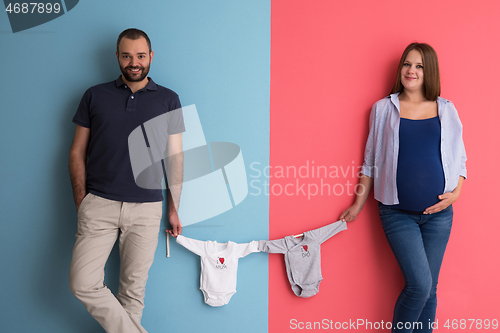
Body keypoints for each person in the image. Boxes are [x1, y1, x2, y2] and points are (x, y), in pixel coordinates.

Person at [340, 42, 466, 333]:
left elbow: (460, 158)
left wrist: (456, 194)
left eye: (419, 66)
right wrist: (358, 204)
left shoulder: (446, 110)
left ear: (429, 71)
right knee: (419, 285)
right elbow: (370, 160)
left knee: (430, 290)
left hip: (440, 215)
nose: (411, 71)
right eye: (407, 64)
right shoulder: (384, 108)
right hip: (397, 213)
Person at [68, 28, 184, 333]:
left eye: (141, 56)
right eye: (127, 55)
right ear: (118, 57)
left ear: (151, 57)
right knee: (82, 282)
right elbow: (76, 151)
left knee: (133, 295)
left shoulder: (170, 99)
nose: (134, 62)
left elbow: (175, 158)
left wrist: (174, 208)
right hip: (99, 204)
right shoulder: (94, 95)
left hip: (146, 209)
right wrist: (83, 200)